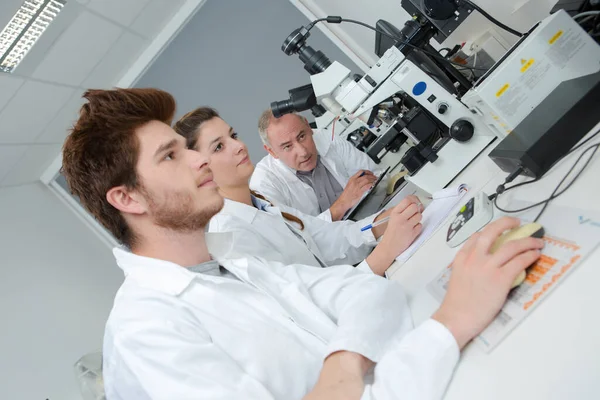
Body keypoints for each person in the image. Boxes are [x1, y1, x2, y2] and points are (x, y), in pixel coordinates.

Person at [61, 88, 544, 400]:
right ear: (126, 198)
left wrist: (339, 373)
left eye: (189, 148)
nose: (199, 162)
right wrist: (453, 320)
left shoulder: (231, 266)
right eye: (171, 156)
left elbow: (367, 294)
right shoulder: (145, 334)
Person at [173, 107, 422, 274]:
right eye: (219, 147)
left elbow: (328, 238)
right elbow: (310, 301)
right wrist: (385, 251)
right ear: (198, 167)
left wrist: (390, 219)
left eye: (233, 135)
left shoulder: (263, 204)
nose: (238, 146)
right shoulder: (231, 237)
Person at [250, 110, 389, 221]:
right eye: (287, 146)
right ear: (271, 151)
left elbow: (378, 178)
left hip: (374, 223)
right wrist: (341, 205)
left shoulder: (327, 138)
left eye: (302, 137)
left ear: (308, 126)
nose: (303, 152)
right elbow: (297, 240)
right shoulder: (265, 184)